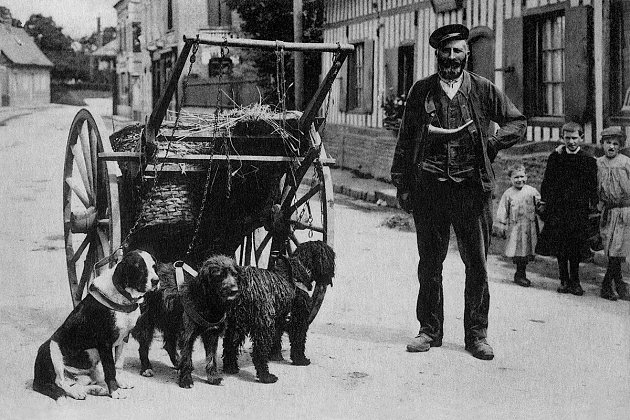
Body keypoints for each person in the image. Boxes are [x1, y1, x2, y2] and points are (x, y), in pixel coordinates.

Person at [390, 24, 526, 360]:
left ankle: (477, 335)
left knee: (477, 265)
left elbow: (517, 122)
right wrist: (401, 183)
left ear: (467, 55)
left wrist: (492, 143)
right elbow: (406, 140)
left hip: (471, 189)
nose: (451, 58)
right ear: (437, 54)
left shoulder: (482, 89)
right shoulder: (421, 91)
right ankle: (428, 330)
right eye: (446, 52)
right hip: (430, 190)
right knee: (429, 264)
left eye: (458, 51)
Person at [536, 122, 598, 296]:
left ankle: (575, 281)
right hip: (558, 210)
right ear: (562, 138)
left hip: (578, 211)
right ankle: (563, 280)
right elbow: (547, 181)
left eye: (574, 138)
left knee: (576, 246)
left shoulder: (587, 160)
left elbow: (592, 186)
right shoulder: (555, 157)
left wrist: (593, 206)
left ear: (581, 138)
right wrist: (545, 202)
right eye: (567, 138)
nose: (571, 142)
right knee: (561, 246)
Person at [596, 127, 630, 301]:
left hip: (624, 211)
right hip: (607, 211)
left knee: (618, 249)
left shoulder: (625, 162)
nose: (611, 147)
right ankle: (620, 283)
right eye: (608, 143)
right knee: (610, 250)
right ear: (602, 144)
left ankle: (606, 285)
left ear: (620, 146)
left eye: (615, 144)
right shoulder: (598, 163)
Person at [493, 163, 541, 287]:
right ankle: (520, 275)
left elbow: (539, 206)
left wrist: (541, 208)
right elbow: (503, 210)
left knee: (527, 250)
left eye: (521, 176)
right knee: (519, 251)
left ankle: (521, 273)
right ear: (511, 179)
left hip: (529, 226)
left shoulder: (532, 191)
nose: (519, 180)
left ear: (526, 176)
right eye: (516, 177)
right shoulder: (508, 194)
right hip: (516, 227)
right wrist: (502, 225)